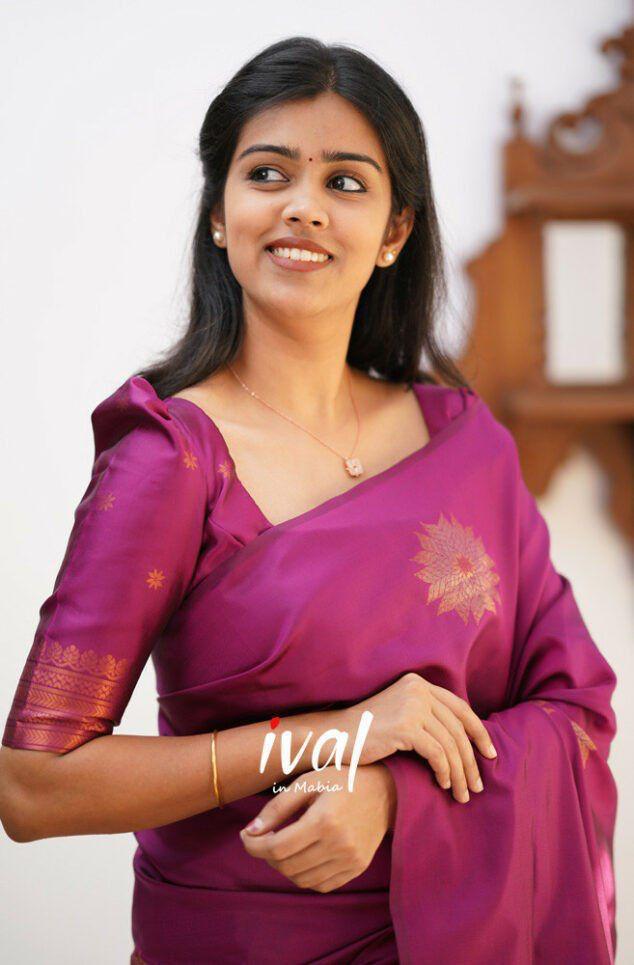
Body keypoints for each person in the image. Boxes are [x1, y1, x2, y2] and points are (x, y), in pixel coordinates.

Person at [0, 35, 618, 965]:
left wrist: (395, 793)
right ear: (219, 214)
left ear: (396, 231)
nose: (303, 206)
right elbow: (34, 784)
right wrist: (334, 738)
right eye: (268, 173)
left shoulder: (467, 448)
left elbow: (575, 705)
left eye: (345, 182)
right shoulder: (170, 459)